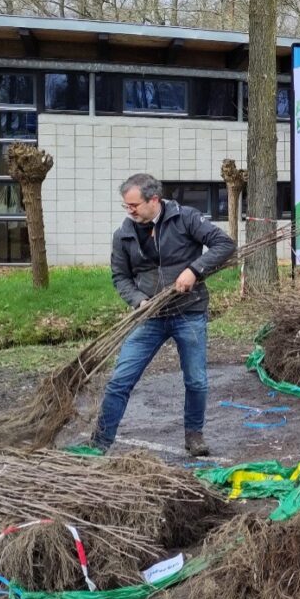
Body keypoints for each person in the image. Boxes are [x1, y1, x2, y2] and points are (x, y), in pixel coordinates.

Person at [87, 173, 236, 455]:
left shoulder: (186, 218)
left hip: (188, 311)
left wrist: (194, 270)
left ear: (154, 199)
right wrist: (138, 300)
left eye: (134, 205)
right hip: (150, 317)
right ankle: (99, 443)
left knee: (196, 380)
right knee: (120, 380)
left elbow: (224, 245)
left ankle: (194, 436)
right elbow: (120, 277)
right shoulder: (124, 234)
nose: (129, 211)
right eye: (126, 206)